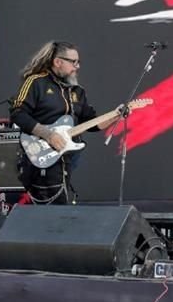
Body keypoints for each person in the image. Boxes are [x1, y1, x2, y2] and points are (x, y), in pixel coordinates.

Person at [10, 41, 119, 204]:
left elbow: (91, 123)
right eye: (73, 62)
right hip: (40, 153)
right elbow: (18, 113)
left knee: (62, 201)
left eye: (78, 62)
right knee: (55, 205)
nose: (77, 66)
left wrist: (116, 115)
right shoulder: (36, 82)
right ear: (57, 62)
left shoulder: (77, 91)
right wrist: (48, 134)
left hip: (66, 158)